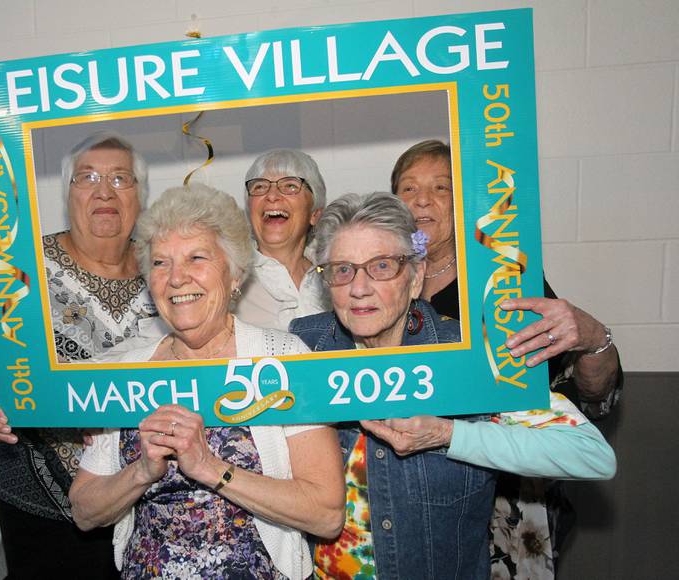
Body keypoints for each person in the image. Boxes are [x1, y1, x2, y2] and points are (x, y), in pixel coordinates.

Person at [289, 192, 616, 579]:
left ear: (415, 277)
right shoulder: (304, 348)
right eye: (343, 269)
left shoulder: (470, 358)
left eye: (381, 266)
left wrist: (449, 434)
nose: (359, 288)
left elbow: (593, 455)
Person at [69, 183, 345, 580]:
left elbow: (325, 513)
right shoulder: (127, 371)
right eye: (161, 263)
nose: (177, 278)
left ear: (234, 273)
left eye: (196, 258)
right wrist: (141, 473)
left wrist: (211, 468)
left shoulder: (283, 359)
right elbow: (83, 511)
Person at [391, 140, 623, 575]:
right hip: (405, 497)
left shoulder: (503, 279)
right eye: (408, 188)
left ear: (467, 203)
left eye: (442, 188)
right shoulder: (379, 283)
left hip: (504, 498)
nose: (422, 200)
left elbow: (592, 394)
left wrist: (593, 337)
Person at [0, 132, 157, 579]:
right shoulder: (18, 266)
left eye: (120, 178)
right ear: (68, 193)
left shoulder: (164, 271)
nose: (104, 191)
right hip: (40, 514)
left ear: (141, 195)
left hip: (144, 506)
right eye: (87, 178)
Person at [234, 148, 330, 331]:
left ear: (315, 214)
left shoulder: (336, 274)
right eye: (260, 186)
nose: (271, 196)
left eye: (290, 186)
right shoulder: (230, 276)